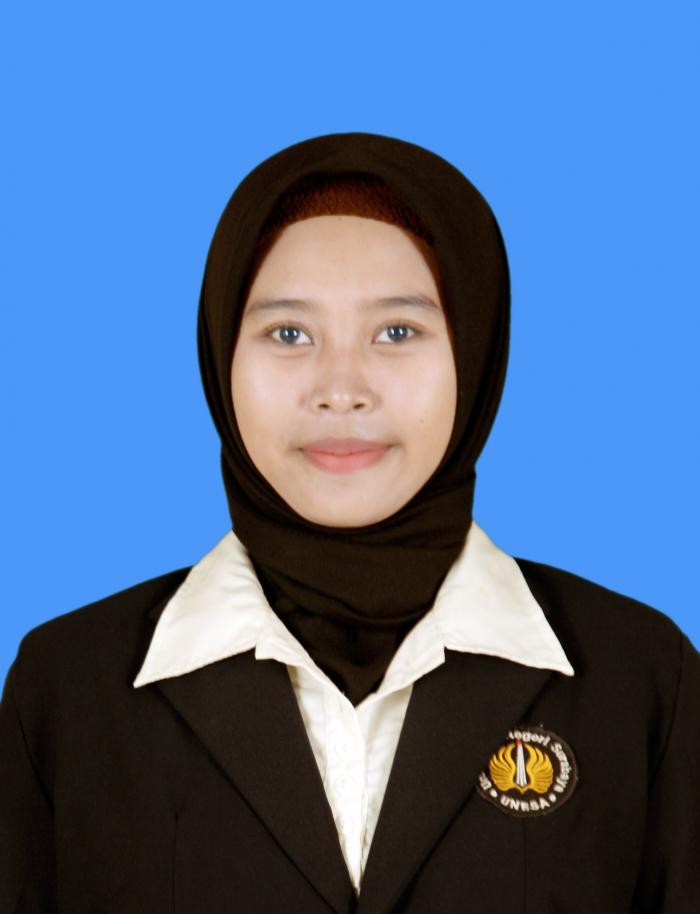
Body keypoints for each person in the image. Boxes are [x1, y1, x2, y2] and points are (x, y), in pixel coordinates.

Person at [1, 131, 698, 913]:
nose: (340, 388)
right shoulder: (68, 689)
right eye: (288, 334)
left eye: (397, 332)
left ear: (475, 350)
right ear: (221, 352)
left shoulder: (640, 680)